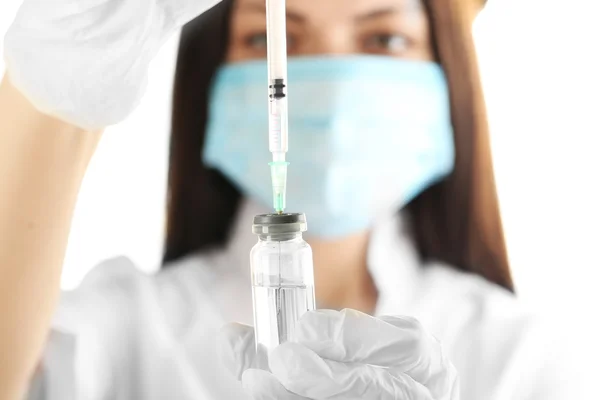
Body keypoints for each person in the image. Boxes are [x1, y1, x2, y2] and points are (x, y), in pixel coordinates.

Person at [0, 0, 583, 399]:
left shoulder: (525, 358)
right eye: (274, 35)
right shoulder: (120, 331)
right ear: (210, 73)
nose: (325, 81)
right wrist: (52, 90)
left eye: (385, 37)